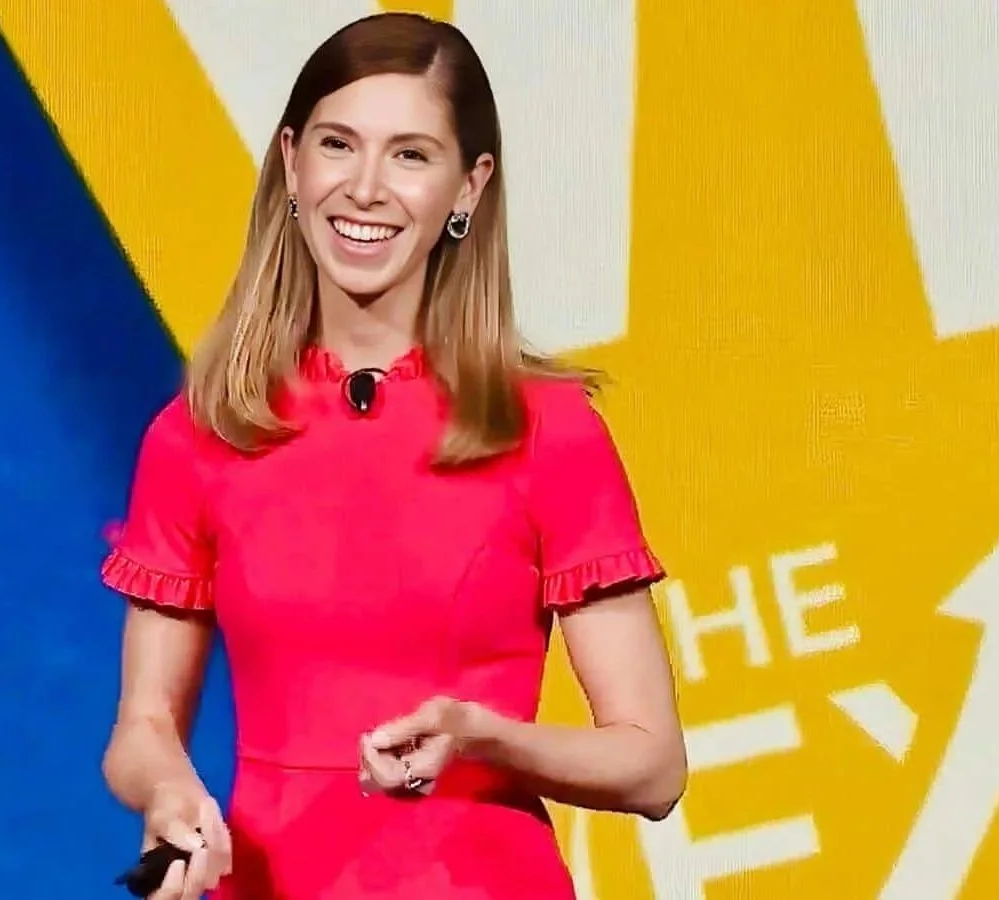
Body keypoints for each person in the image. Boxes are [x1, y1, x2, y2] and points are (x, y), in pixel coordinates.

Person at [100, 12, 687, 899]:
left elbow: (650, 767)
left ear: (467, 186)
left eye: (410, 155)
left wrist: (481, 738)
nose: (365, 187)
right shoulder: (201, 433)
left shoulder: (545, 431)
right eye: (339, 145)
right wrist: (169, 789)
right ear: (292, 162)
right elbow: (141, 726)